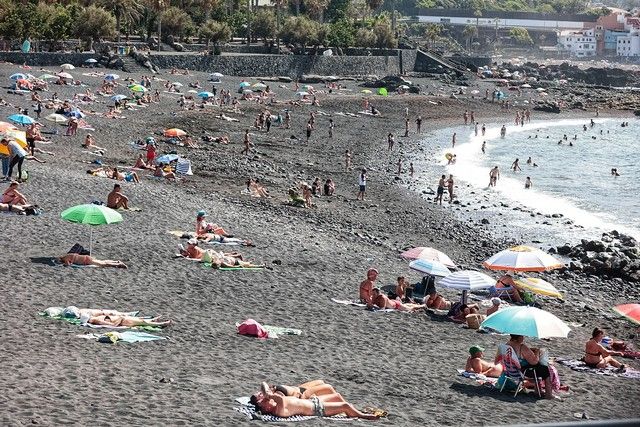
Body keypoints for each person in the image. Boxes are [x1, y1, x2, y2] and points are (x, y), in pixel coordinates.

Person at [252, 382, 379, 420]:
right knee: (346, 405)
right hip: (317, 408)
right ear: (266, 408)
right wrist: (268, 394)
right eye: (264, 401)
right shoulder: (279, 409)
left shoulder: (275, 405)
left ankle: (354, 411)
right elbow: (266, 389)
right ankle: (362, 416)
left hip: (314, 401)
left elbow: (264, 385)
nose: (265, 399)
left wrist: (267, 394)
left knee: (338, 396)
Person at [496, 334, 554, 399]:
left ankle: (538, 390)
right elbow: (534, 362)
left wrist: (529, 351)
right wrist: (537, 352)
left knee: (539, 367)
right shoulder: (522, 347)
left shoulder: (506, 345)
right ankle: (548, 394)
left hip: (511, 371)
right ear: (519, 337)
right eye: (522, 336)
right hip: (523, 372)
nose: (523, 338)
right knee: (545, 369)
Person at [88, 314, 171, 328]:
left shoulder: (97, 318)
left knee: (140, 320)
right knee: (142, 322)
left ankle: (152, 320)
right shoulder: (98, 321)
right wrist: (121, 318)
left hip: (124, 319)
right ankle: (161, 324)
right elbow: (113, 325)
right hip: (124, 321)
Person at [59, 253, 127, 269]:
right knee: (102, 261)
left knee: (103, 264)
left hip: (86, 260)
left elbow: (68, 264)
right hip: (86, 257)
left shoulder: (65, 259)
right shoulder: (68, 255)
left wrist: (64, 264)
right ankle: (116, 262)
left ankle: (118, 264)